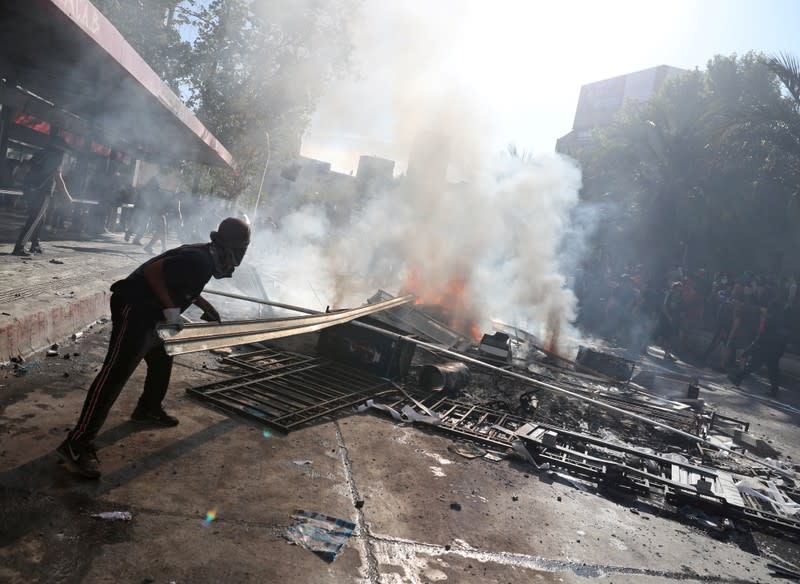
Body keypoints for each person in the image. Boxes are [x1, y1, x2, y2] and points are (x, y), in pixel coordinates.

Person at [56, 217, 251, 479]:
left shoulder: (206, 256)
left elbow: (182, 283)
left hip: (153, 312)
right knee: (115, 373)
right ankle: (77, 443)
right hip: (135, 308)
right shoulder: (200, 258)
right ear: (232, 248)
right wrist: (171, 310)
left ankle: (148, 408)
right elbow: (153, 272)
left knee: (162, 359)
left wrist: (205, 306)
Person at [12, 135, 73, 256]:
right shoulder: (57, 156)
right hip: (43, 191)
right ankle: (19, 247)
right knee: (35, 219)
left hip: (32, 190)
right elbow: (58, 177)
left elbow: (25, 167)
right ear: (59, 146)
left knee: (40, 218)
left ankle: (35, 244)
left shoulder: (40, 153)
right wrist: (67, 196)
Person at [728, 301, 788, 396]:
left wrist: (748, 350)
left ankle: (737, 380)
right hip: (775, 350)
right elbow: (784, 338)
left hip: (765, 349)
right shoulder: (782, 321)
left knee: (752, 366)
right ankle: (774, 391)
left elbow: (761, 337)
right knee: (773, 371)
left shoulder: (770, 320)